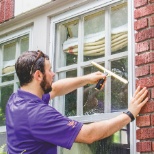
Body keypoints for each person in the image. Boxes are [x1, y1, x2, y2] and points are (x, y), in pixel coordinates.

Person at [5, 50, 148, 154]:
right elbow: (89, 134)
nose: (53, 74)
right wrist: (129, 114)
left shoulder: (16, 100)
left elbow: (55, 89)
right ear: (38, 75)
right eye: (49, 70)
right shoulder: (37, 115)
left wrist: (87, 79)